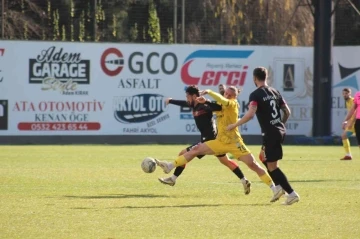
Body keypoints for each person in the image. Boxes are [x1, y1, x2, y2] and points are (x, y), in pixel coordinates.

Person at [155, 85, 284, 202]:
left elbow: (223, 102)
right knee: (195, 150)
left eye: (229, 94)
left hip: (235, 142)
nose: (226, 95)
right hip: (220, 141)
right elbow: (214, 105)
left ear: (234, 96)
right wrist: (206, 101)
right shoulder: (219, 105)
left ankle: (275, 188)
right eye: (225, 93)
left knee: (253, 165)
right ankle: (169, 166)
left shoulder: (232, 104)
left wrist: (209, 92)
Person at [159, 85, 251, 195]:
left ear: (193, 96)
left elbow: (218, 107)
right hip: (212, 139)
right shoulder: (194, 104)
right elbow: (184, 103)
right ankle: (244, 180)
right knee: (225, 161)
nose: (187, 99)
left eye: (187, 96)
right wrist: (171, 101)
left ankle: (172, 177)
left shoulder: (204, 106)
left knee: (184, 153)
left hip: (210, 139)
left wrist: (208, 100)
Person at [227, 66, 300, 205]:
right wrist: (280, 124)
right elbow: (287, 111)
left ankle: (291, 193)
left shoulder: (255, 95)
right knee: (263, 157)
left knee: (273, 167)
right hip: (278, 130)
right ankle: (278, 188)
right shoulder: (275, 91)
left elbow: (250, 114)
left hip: (270, 133)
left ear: (254, 78)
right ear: (266, 77)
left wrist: (234, 125)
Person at [340, 88, 355, 160]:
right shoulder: (347, 102)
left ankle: (348, 155)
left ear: (349, 94)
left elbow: (354, 113)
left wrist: (346, 121)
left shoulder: (353, 101)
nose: (344, 95)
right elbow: (350, 113)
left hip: (356, 123)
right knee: (344, 136)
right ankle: (348, 155)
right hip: (353, 124)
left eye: (346, 94)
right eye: (343, 94)